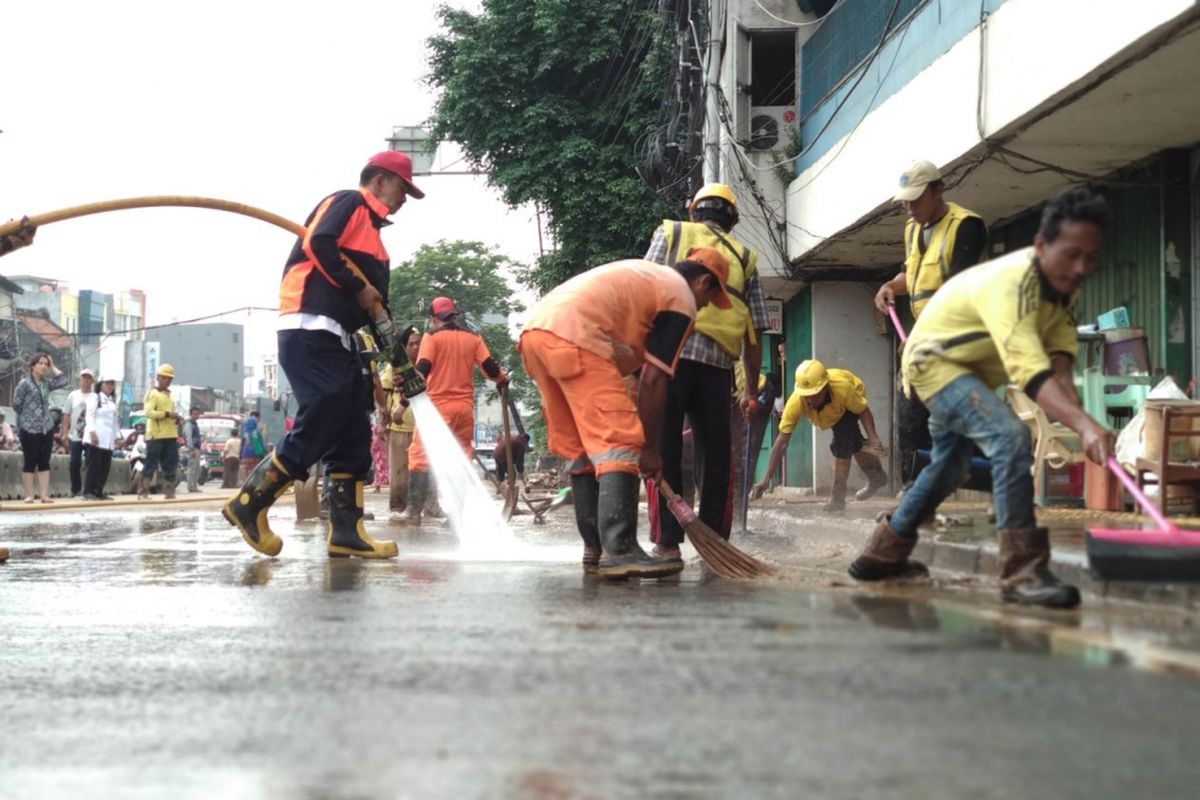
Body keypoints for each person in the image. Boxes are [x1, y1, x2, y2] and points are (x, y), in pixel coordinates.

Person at [849, 186, 1117, 609]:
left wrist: (1085, 426)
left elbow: (1060, 367)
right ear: (1043, 245)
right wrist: (1086, 426)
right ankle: (1023, 574)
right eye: (1071, 254)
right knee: (1009, 436)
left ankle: (881, 553)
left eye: (1090, 257)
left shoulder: (1064, 291)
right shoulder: (1015, 284)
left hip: (969, 371)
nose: (1081, 267)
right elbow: (1033, 375)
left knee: (950, 466)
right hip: (934, 362)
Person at [223, 150, 424, 559]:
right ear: (381, 180)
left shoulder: (377, 245)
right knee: (328, 405)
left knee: (353, 427)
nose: (405, 198)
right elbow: (318, 242)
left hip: (342, 338)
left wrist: (398, 360)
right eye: (403, 188)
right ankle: (250, 503)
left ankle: (347, 532)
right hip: (308, 324)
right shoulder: (348, 202)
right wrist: (357, 287)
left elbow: (377, 310)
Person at [519, 247, 732, 578]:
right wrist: (648, 448)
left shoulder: (646, 280)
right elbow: (654, 379)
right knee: (620, 441)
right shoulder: (680, 297)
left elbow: (632, 373)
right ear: (704, 282)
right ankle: (620, 549)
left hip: (537, 334)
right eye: (707, 300)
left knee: (584, 451)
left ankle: (596, 548)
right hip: (576, 337)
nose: (702, 309)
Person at [644, 183, 770, 559]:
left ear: (694, 210)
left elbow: (643, 286)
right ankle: (715, 544)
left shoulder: (671, 232)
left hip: (670, 358)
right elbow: (754, 331)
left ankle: (667, 543)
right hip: (717, 369)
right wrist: (749, 391)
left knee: (662, 448)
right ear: (732, 220)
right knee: (716, 457)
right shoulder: (745, 258)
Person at [875, 160, 987, 485]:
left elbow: (955, 292)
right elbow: (912, 274)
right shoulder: (912, 230)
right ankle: (914, 489)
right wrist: (889, 287)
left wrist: (920, 337)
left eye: (917, 199)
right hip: (923, 342)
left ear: (939, 190)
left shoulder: (966, 226)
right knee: (910, 419)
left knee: (955, 423)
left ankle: (994, 488)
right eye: (905, 201)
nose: (910, 207)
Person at [403, 295, 508, 526]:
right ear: (454, 315)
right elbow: (490, 368)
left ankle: (412, 512)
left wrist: (407, 387)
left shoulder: (431, 337)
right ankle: (457, 515)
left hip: (438, 408)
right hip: (465, 409)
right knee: (462, 456)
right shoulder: (473, 338)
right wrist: (502, 379)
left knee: (419, 455)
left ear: (434, 318)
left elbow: (423, 369)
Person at [750, 360, 888, 512]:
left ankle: (837, 499)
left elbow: (863, 410)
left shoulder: (844, 389)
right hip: (832, 413)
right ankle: (877, 477)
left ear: (826, 387)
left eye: (815, 395)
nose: (810, 400)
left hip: (848, 404)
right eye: (806, 395)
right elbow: (782, 441)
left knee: (842, 445)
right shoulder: (796, 402)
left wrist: (874, 438)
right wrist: (766, 480)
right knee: (853, 444)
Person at [11, 352, 70, 503]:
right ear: (32, 366)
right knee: (30, 461)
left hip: (46, 427)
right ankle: (30, 494)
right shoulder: (24, 384)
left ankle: (44, 495)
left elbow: (64, 380)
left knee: (44, 461)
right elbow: (16, 404)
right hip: (29, 428)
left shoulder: (46, 384)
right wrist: (27, 418)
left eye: (46, 364)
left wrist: (53, 365)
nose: (44, 366)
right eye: (41, 363)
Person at [382, 328, 421, 520]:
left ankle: (424, 506)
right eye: (412, 344)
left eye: (418, 343)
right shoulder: (394, 368)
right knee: (399, 471)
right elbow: (383, 393)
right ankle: (397, 507)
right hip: (398, 427)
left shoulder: (424, 366)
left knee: (422, 470)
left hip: (420, 429)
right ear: (404, 347)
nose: (416, 347)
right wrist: (383, 421)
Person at [141, 363, 183, 499]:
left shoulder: (169, 396)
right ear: (158, 378)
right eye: (165, 378)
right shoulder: (153, 394)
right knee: (151, 463)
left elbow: (169, 414)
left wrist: (175, 418)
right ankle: (143, 491)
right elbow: (148, 412)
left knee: (170, 464)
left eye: (170, 379)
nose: (167, 381)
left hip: (170, 434)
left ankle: (169, 492)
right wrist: (166, 414)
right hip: (156, 435)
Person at [83, 376, 119, 500]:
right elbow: (89, 416)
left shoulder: (112, 401)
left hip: (108, 440)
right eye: (107, 383)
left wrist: (117, 437)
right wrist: (92, 433)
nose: (110, 386)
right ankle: (88, 491)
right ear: (101, 385)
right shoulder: (95, 397)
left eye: (112, 383)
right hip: (96, 438)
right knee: (93, 466)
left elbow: (115, 422)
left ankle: (99, 490)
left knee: (104, 467)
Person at [65, 367, 95, 497]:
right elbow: (66, 414)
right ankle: (75, 488)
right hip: (75, 435)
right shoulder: (73, 395)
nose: (86, 380)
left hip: (90, 435)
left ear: (92, 381)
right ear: (80, 379)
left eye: (89, 378)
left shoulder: (95, 396)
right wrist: (64, 433)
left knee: (90, 463)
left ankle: (88, 489)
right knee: (74, 462)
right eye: (84, 377)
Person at [180, 407, 205, 493]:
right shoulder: (189, 424)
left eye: (197, 414)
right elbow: (188, 437)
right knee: (192, 468)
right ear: (190, 414)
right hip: (193, 449)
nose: (196, 415)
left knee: (197, 468)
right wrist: (192, 448)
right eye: (194, 414)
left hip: (197, 448)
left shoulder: (195, 424)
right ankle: (191, 486)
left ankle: (194, 486)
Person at [240, 411, 265, 480]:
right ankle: (254, 483)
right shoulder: (257, 432)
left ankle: (246, 483)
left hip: (245, 454)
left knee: (246, 470)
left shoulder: (244, 432)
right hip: (256, 453)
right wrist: (264, 454)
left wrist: (240, 454)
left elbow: (242, 444)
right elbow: (262, 444)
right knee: (255, 470)